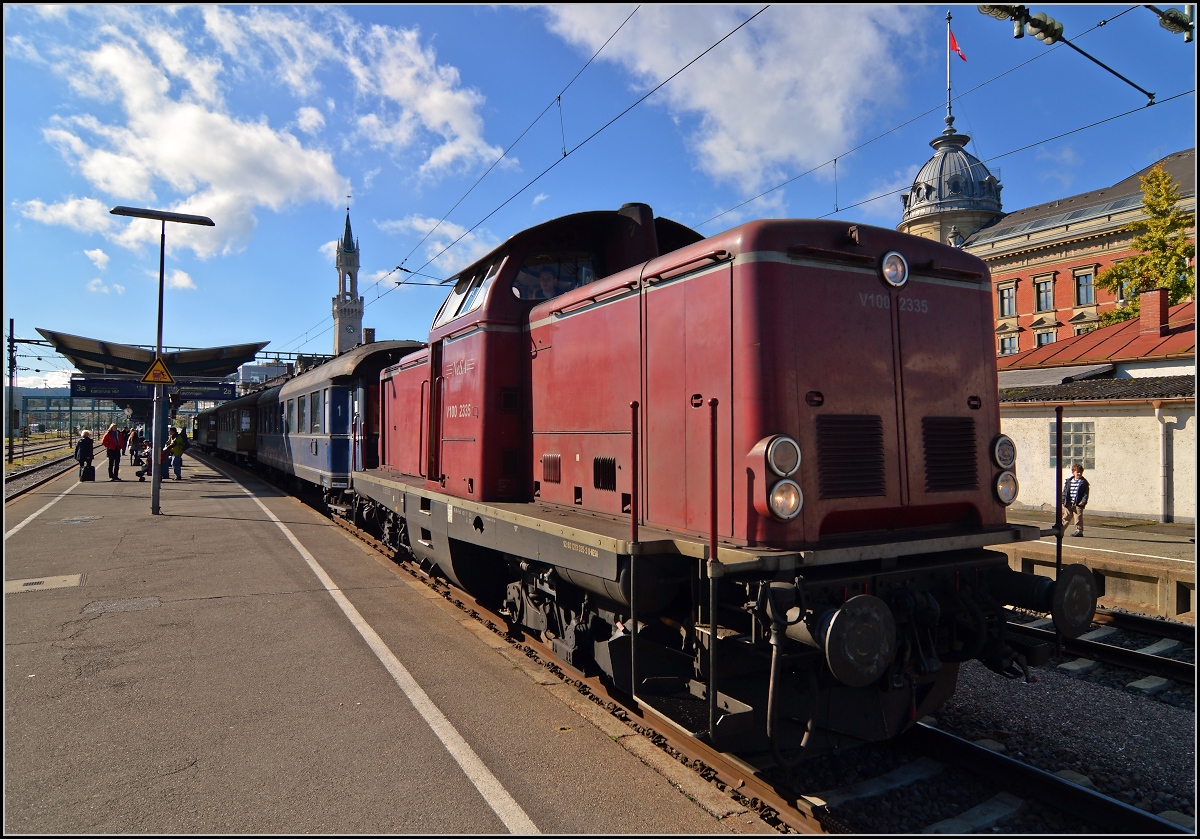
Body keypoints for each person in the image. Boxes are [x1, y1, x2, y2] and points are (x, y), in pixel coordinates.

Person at [1062, 463, 1090, 537]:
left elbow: (1086, 493)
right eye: (1077, 472)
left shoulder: (1084, 482)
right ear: (1073, 472)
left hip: (1078, 503)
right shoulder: (1069, 481)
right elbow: (1065, 492)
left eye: (1080, 472)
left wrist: (1083, 501)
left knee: (1078, 518)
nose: (1079, 473)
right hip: (1069, 503)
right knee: (1066, 517)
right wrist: (1063, 500)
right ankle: (1061, 530)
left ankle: (1079, 531)